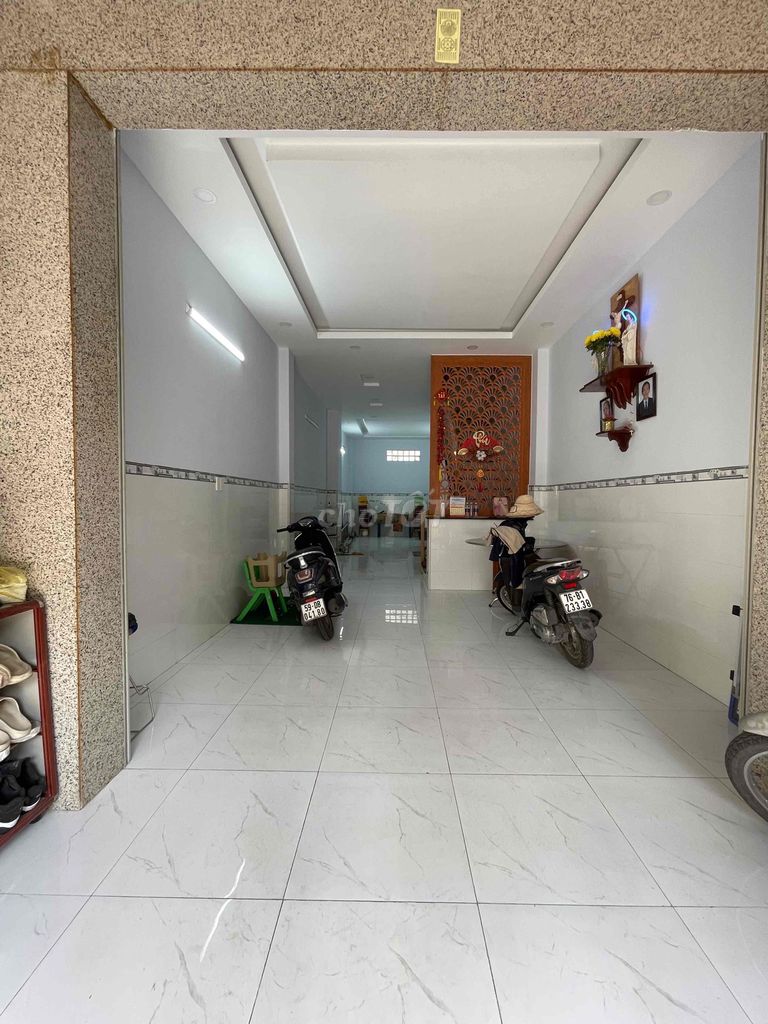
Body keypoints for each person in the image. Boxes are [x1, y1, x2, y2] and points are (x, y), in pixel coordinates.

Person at [486, 494, 545, 590]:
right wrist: (517, 582)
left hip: (507, 558)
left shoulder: (514, 523)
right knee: (514, 588)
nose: (533, 515)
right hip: (509, 559)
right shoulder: (514, 526)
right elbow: (516, 555)